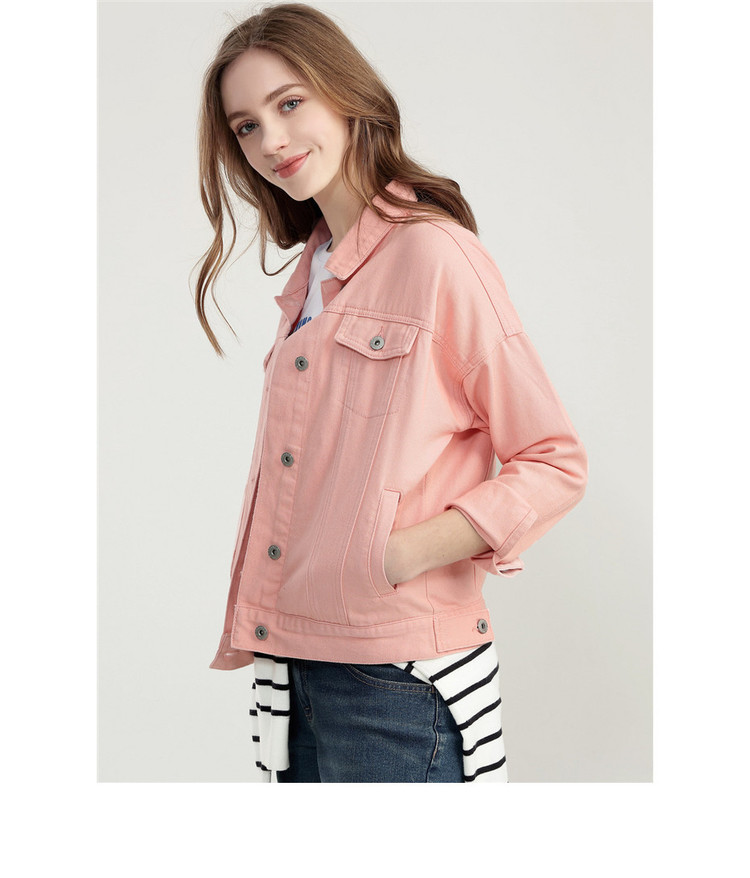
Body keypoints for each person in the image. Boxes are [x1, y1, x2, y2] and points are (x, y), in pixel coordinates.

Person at [194, 2, 588, 783]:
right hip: (294, 668)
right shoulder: (312, 271)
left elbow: (554, 460)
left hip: (398, 679)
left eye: (290, 103)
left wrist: (396, 554)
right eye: (246, 126)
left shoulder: (436, 255)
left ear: (346, 94)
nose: (271, 141)